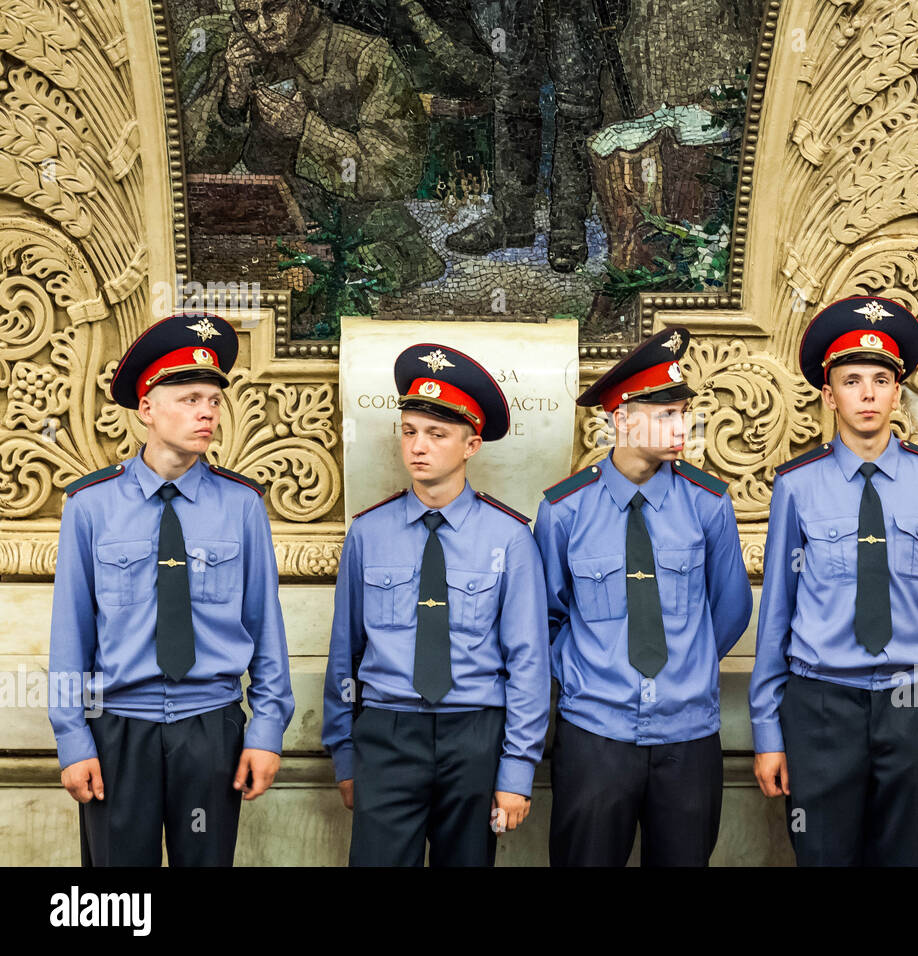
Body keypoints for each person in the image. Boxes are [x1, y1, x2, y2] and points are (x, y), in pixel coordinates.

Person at [49, 312, 295, 866]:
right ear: (147, 409)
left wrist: (268, 728)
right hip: (118, 731)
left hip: (211, 727)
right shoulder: (90, 506)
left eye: (213, 398)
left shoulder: (242, 505)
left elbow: (265, 627)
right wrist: (73, 738)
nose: (206, 411)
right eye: (188, 398)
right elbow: (71, 634)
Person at [748, 295, 918, 866]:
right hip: (821, 703)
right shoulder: (797, 487)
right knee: (822, 855)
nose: (868, 393)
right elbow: (776, 612)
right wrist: (768, 733)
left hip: (912, 698)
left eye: (881, 379)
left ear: (899, 391)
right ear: (829, 395)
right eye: (852, 380)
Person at [322, 343, 549, 866]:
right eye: (409, 432)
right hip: (387, 730)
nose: (417, 447)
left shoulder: (510, 538)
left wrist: (516, 769)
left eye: (436, 434)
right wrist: (345, 753)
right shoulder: (368, 533)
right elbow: (344, 653)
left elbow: (529, 661)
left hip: (473, 732)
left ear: (471, 444)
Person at [533, 326, 752, 866]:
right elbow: (546, 616)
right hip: (595, 734)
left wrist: (685, 663)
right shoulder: (564, 510)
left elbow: (729, 608)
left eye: (684, 411)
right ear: (621, 420)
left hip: (689, 735)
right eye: (667, 414)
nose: (684, 425)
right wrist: (590, 673)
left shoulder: (708, 504)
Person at [184, 0, 442, 289]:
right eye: (249, 16)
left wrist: (308, 130)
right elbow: (192, 164)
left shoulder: (366, 55)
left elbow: (397, 168)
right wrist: (233, 97)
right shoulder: (242, 61)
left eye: (273, 9)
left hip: (368, 237)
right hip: (276, 237)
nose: (263, 27)